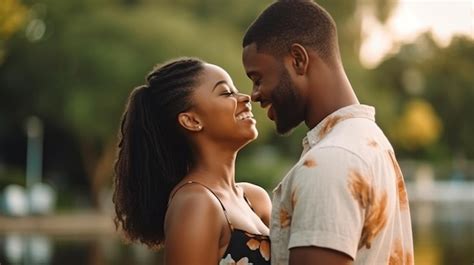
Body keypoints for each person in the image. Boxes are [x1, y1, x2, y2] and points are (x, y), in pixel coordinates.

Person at [241, 1, 414, 265]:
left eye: (258, 78)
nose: (254, 95)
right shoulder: (370, 140)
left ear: (298, 60)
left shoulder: (330, 161)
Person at [113, 58, 272, 265]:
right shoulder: (196, 202)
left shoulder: (255, 199)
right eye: (226, 93)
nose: (245, 98)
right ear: (192, 121)